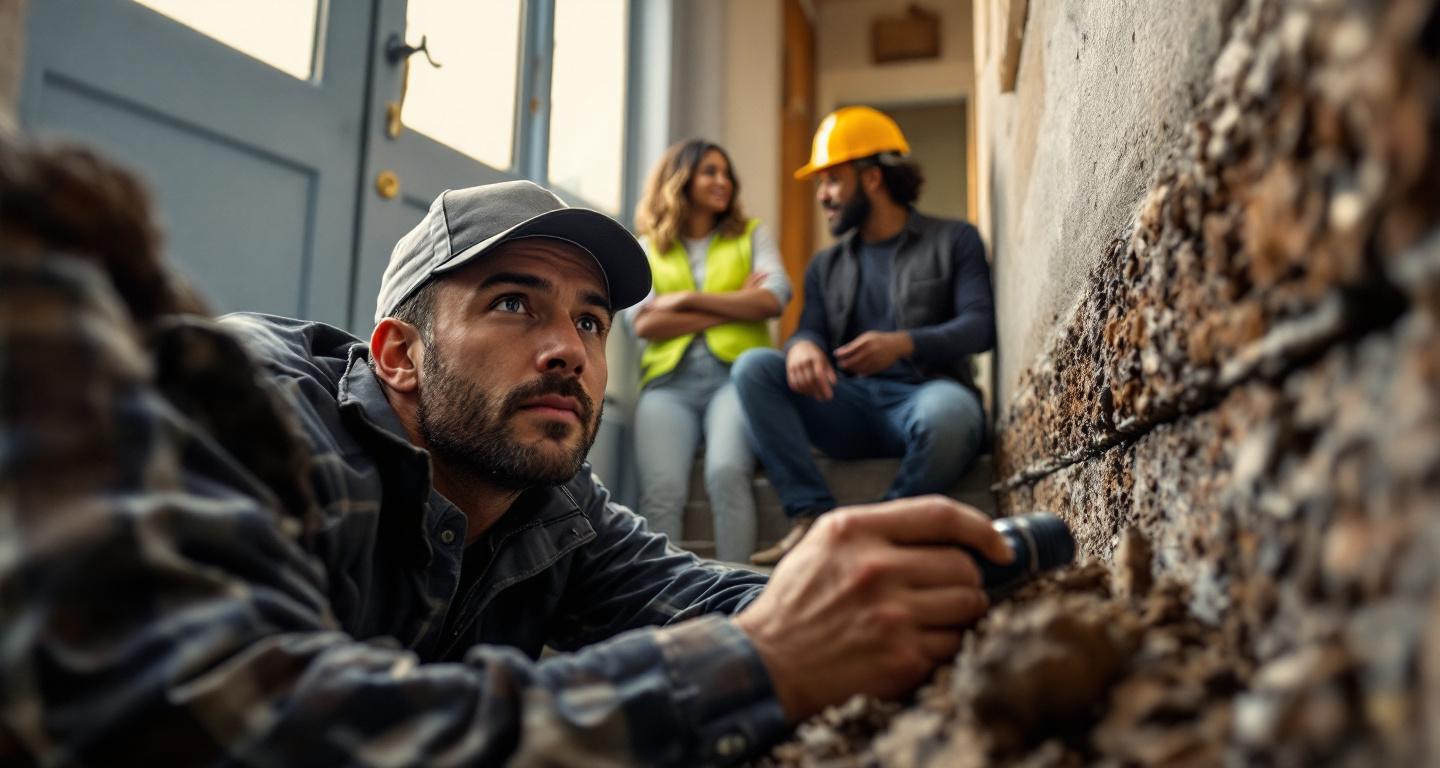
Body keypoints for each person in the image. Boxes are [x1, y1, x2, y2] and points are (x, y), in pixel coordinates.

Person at [0, 137, 1012, 766]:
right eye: (514, 303)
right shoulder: (253, 413)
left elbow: (728, 602)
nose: (567, 350)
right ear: (398, 354)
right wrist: (753, 667)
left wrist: (953, 583)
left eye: (591, 320)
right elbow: (224, 724)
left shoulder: (551, 502)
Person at [734, 105, 997, 566]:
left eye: (832, 179)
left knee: (953, 413)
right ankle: (811, 516)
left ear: (871, 178)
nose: (823, 195)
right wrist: (802, 346)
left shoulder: (955, 239)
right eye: (820, 184)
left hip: (926, 400)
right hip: (850, 406)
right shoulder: (825, 265)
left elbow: (980, 326)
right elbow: (809, 327)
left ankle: (878, 528)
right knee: (755, 367)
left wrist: (904, 342)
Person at [628, 140, 789, 561]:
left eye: (726, 173)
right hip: (667, 387)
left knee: (726, 473)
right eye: (710, 172)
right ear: (681, 179)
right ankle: (663, 603)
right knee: (662, 491)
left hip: (733, 381)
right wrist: (734, 302)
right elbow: (642, 323)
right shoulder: (648, 247)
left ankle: (736, 597)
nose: (724, 181)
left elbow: (774, 298)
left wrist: (680, 301)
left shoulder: (752, 235)